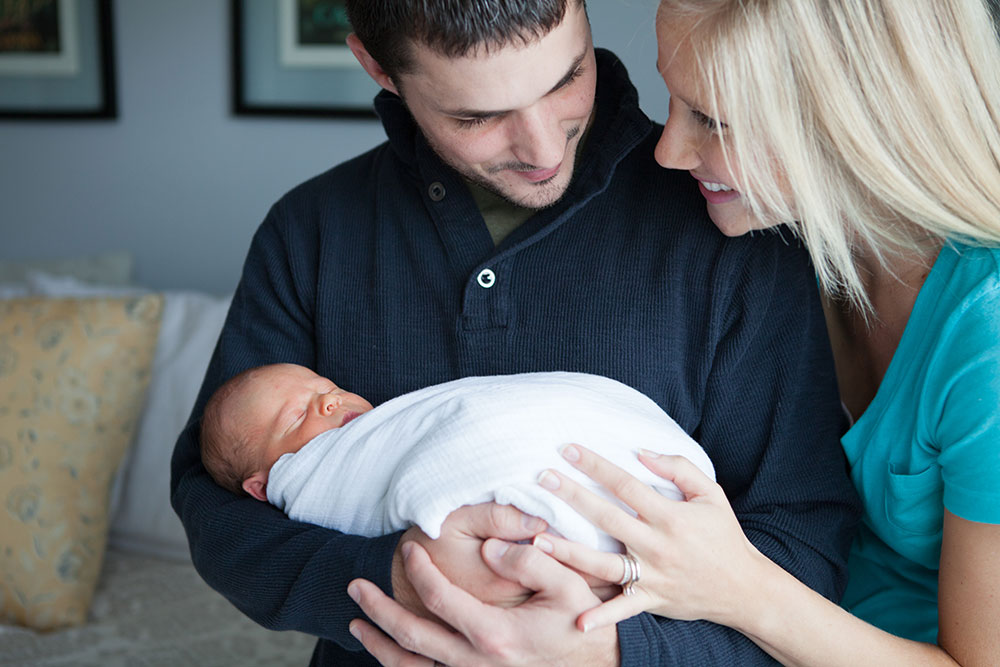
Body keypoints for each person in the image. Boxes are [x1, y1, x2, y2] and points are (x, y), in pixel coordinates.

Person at [170, 0, 860, 664]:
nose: (541, 149)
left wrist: (609, 651)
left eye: (566, 78)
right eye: (479, 116)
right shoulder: (310, 232)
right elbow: (220, 514)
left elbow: (804, 552)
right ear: (379, 68)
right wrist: (401, 579)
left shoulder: (733, 226)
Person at [519, 1, 1000, 665]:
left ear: (855, 122)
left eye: (715, 122)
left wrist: (738, 586)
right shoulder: (782, 238)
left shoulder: (987, 338)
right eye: (675, 101)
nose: (668, 151)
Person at [199, 363, 714, 553]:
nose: (331, 401)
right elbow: (223, 531)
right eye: (297, 418)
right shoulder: (310, 478)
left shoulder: (392, 425)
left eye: (328, 388)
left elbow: (462, 418)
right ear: (262, 486)